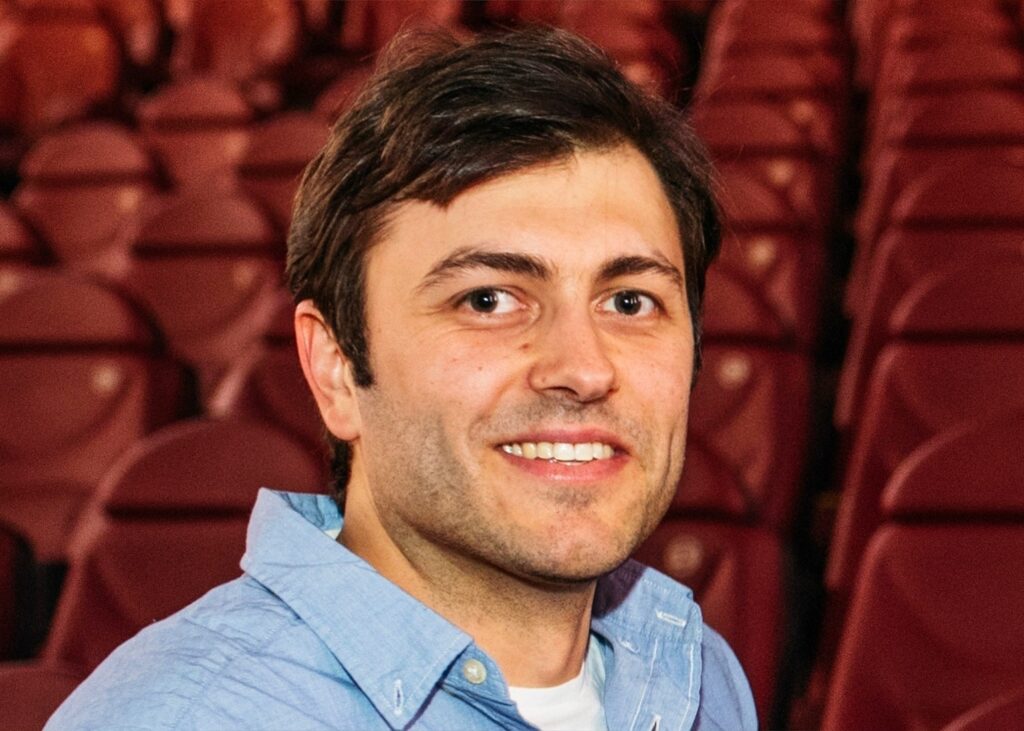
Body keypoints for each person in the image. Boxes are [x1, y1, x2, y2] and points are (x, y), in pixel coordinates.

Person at [48, 27, 757, 731]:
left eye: (630, 302)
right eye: (487, 300)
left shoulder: (702, 678)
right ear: (335, 369)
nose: (583, 367)